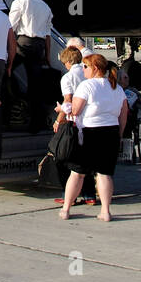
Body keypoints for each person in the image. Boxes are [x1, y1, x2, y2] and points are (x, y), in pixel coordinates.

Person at [59, 54, 129, 222]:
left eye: (85, 67)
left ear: (95, 68)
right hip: (111, 131)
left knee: (77, 173)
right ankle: (105, 211)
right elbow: (124, 112)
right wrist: (119, 134)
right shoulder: (116, 88)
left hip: (90, 132)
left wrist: (62, 108)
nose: (83, 70)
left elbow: (75, 110)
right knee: (104, 174)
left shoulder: (86, 86)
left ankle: (66, 208)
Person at [9, 0, 55, 133]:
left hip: (23, 44)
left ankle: (13, 103)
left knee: (5, 73)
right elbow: (48, 35)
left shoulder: (19, 3)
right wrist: (48, 56)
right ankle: (36, 123)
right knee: (35, 85)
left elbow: (11, 27)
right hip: (39, 46)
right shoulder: (46, 7)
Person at [54, 47, 97, 205]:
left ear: (68, 62)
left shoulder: (67, 77)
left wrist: (59, 119)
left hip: (74, 122)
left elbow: (68, 100)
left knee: (66, 160)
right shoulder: (88, 74)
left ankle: (69, 196)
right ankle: (89, 195)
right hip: (90, 121)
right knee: (86, 161)